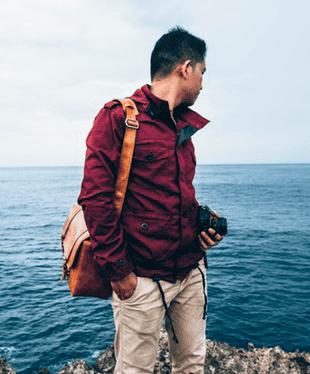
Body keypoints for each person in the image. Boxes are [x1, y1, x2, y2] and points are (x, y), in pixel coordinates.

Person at [78, 26, 223, 374]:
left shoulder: (182, 128)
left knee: (191, 364)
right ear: (185, 68)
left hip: (190, 271)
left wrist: (203, 222)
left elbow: (169, 196)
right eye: (202, 73)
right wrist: (120, 274)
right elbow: (94, 199)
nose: (203, 83)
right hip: (141, 278)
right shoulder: (117, 118)